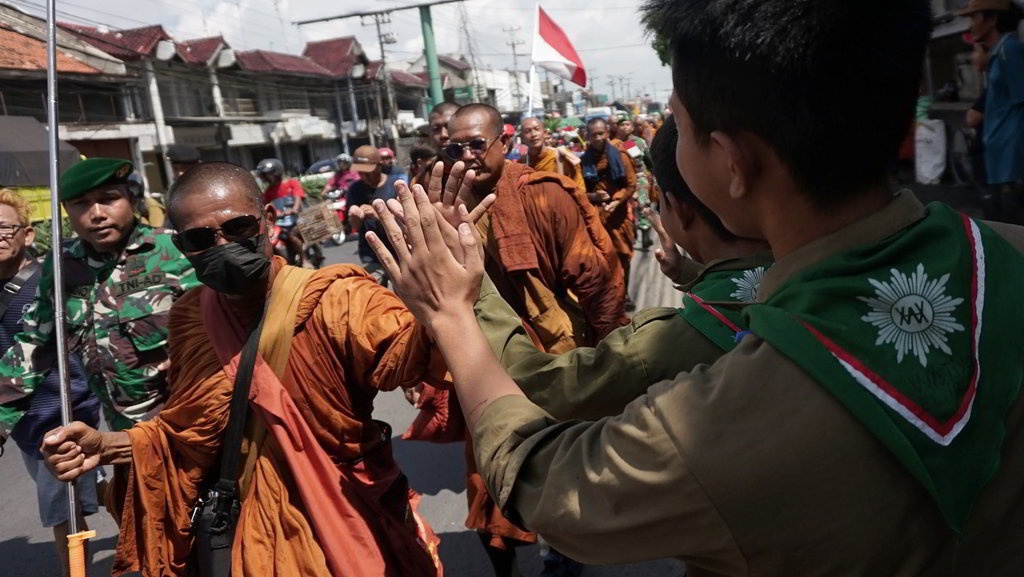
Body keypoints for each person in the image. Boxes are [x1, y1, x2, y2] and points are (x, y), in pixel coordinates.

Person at [364, 0, 1024, 574]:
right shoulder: (1010, 249)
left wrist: (453, 309)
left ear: (734, 162)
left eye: (679, 120)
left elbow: (553, 486)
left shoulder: (715, 425)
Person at [42, 162, 447, 577]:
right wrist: (108, 447)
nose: (223, 244)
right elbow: (187, 431)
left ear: (267, 221)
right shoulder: (190, 316)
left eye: (237, 227)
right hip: (251, 525)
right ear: (183, 247)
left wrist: (438, 300)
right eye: (202, 238)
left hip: (347, 508)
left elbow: (410, 356)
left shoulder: (338, 295)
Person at [427, 103, 630, 577]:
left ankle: (564, 553)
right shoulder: (440, 201)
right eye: (456, 146)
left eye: (477, 144)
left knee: (558, 468)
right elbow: (429, 286)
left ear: (504, 140)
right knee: (487, 474)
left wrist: (611, 358)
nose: (467, 156)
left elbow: (595, 278)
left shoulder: (544, 195)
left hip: (555, 359)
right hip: (480, 357)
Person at [0, 158, 198, 433]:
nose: (97, 213)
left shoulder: (175, 252)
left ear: (132, 199)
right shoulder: (61, 267)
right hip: (125, 437)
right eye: (81, 203)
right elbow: (36, 343)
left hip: (191, 425)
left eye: (109, 199)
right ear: (67, 211)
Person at [0, 189, 101, 577]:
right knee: (86, 492)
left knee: (65, 507)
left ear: (27, 235)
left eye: (5, 228)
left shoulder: (51, 281)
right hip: (21, 424)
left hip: (66, 413)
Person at [959, 0, 1024, 224]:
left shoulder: (1010, 50)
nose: (970, 25)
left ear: (992, 19)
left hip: (1012, 163)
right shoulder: (999, 54)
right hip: (999, 159)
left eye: (974, 17)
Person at [581, 117, 638, 307]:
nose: (597, 138)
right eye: (593, 135)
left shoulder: (624, 151)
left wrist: (616, 200)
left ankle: (624, 293)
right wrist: (593, 196)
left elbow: (631, 183)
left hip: (619, 214)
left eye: (601, 134)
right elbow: (578, 191)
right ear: (587, 136)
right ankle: (611, 294)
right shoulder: (584, 160)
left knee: (623, 256)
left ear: (607, 132)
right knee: (602, 259)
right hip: (597, 215)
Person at [347, 145, 402, 284]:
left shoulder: (395, 185)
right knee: (374, 297)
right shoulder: (355, 189)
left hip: (399, 253)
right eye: (360, 173)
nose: (364, 177)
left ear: (379, 165)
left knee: (406, 299)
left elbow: (405, 221)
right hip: (372, 255)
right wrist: (355, 217)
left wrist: (378, 215)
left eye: (368, 172)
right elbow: (355, 226)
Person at [255, 158, 305, 265]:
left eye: (269, 174)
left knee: (292, 235)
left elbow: (298, 197)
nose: (267, 177)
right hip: (281, 222)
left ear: (277, 172)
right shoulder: (268, 191)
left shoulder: (292, 183)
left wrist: (294, 209)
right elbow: (265, 206)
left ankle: (304, 259)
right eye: (265, 175)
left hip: (297, 219)